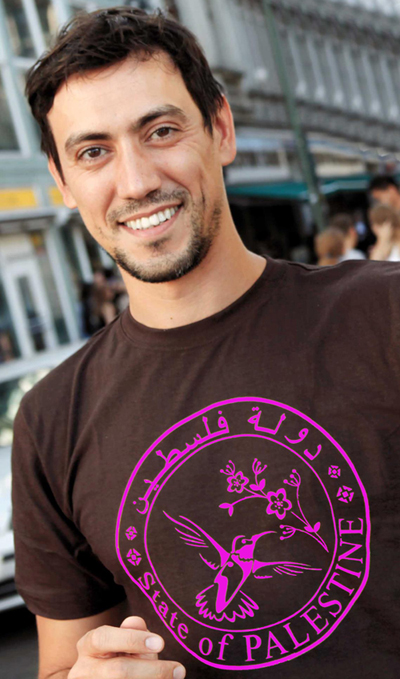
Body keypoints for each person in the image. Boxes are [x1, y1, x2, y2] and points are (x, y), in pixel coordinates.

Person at [12, 7, 400, 679]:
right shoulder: (51, 422)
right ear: (62, 180)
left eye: (160, 131)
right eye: (94, 151)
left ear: (221, 129)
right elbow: (61, 663)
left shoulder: (383, 314)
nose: (137, 181)